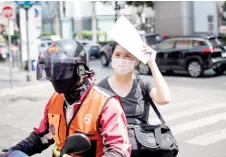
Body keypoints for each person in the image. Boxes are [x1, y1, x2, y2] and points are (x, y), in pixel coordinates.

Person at [0, 40, 131, 157]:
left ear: (80, 70)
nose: (54, 76)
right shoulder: (55, 99)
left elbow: (119, 150)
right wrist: (12, 151)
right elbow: (42, 136)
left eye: (60, 70)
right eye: (50, 70)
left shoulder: (106, 104)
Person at [97, 42, 171, 156]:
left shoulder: (144, 82)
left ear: (136, 61)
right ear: (111, 57)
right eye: (117, 55)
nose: (121, 60)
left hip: (142, 146)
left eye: (127, 56)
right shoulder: (101, 87)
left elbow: (164, 98)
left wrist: (152, 64)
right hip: (112, 149)